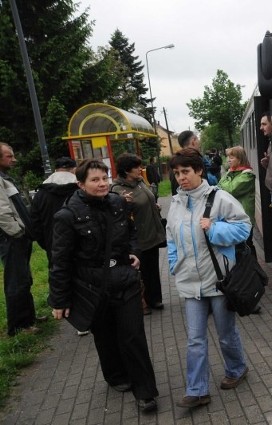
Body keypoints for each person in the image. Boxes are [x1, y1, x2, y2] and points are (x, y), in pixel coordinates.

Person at [48, 159, 158, 412]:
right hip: (92, 288)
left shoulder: (118, 203)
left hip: (125, 280)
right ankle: (116, 376)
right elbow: (60, 260)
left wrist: (134, 251)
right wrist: (60, 299)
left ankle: (145, 392)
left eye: (104, 178)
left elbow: (132, 232)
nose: (102, 184)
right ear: (80, 184)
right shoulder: (67, 216)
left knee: (133, 336)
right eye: (95, 180)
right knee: (106, 337)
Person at [166, 148, 251, 409]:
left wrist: (214, 228)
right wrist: (173, 264)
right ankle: (197, 390)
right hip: (190, 282)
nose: (181, 177)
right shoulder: (176, 202)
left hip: (219, 280)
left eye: (186, 172)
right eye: (177, 173)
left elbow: (244, 227)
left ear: (199, 170)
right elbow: (171, 236)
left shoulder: (220, 198)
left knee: (225, 334)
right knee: (195, 339)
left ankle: (237, 369)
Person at [30, 157, 89, 336]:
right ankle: (86, 318)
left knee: (62, 275)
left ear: (56, 169)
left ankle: (75, 318)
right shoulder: (79, 188)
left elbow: (34, 223)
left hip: (53, 244)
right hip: (82, 242)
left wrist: (47, 243)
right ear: (73, 169)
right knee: (84, 277)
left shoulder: (41, 193)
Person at [111, 153, 166, 314]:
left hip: (152, 232)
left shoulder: (140, 182)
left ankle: (155, 299)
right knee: (140, 272)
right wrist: (124, 205)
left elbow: (148, 198)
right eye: (136, 167)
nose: (140, 169)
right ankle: (141, 303)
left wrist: (154, 206)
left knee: (153, 270)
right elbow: (117, 215)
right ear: (127, 171)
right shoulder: (117, 189)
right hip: (138, 237)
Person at [0, 142, 43, 336]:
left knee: (24, 279)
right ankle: (19, 326)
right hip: (12, 239)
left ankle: (29, 319)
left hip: (18, 238)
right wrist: (17, 232)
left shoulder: (5, 178)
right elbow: (2, 212)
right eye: (9, 156)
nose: (14, 159)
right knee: (17, 281)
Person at [217, 145, 256, 257]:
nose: (228, 160)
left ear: (240, 159)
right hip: (232, 216)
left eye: (232, 157)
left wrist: (224, 183)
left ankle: (254, 270)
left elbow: (231, 189)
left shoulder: (247, 175)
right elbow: (218, 186)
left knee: (247, 245)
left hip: (244, 218)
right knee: (237, 247)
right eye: (228, 157)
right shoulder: (230, 173)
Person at [170, 131, 217, 195]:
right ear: (193, 141)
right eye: (198, 139)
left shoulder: (175, 161)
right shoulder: (196, 160)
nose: (181, 178)